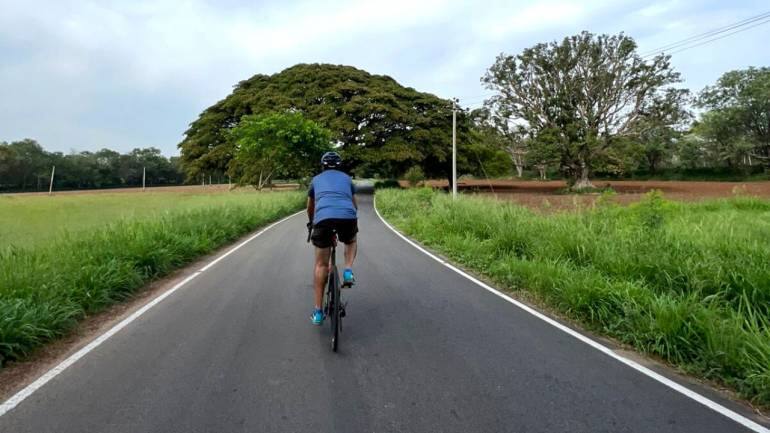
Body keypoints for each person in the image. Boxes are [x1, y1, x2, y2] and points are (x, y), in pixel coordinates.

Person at [307, 151, 358, 325]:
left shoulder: (315, 180)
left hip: (323, 219)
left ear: (322, 166)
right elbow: (354, 203)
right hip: (347, 216)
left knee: (321, 265)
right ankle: (348, 270)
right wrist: (350, 217)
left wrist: (312, 222)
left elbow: (310, 207)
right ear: (340, 165)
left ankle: (318, 312)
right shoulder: (347, 179)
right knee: (351, 240)